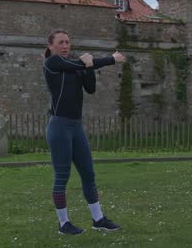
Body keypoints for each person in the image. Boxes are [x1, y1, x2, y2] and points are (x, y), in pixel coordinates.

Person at [43, 29, 126, 235]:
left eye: (67, 42)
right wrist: (111, 59)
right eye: (61, 42)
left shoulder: (77, 67)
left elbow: (90, 88)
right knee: (62, 176)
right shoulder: (52, 63)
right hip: (59, 127)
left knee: (88, 174)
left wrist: (89, 67)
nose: (65, 45)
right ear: (51, 46)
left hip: (76, 127)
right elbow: (78, 64)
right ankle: (64, 224)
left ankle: (98, 219)